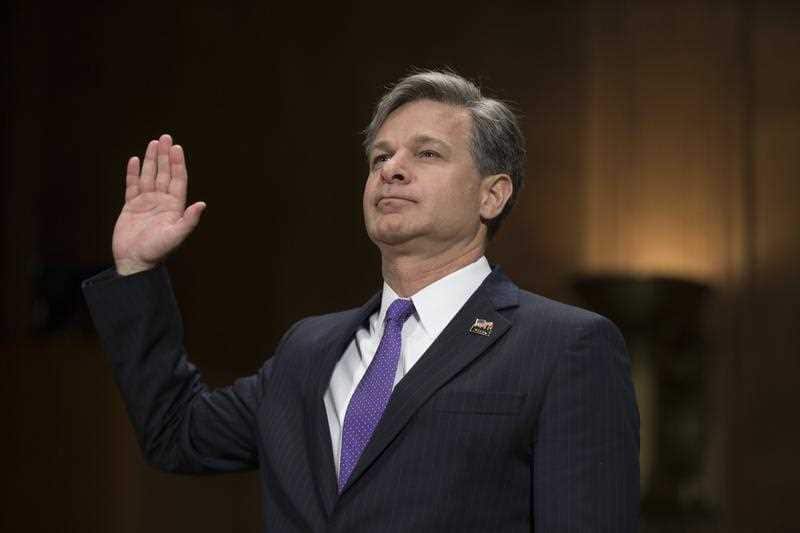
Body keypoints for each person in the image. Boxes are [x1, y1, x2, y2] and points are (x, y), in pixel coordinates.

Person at [83, 70, 640, 531]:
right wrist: (137, 270)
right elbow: (177, 434)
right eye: (380, 157)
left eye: (427, 154)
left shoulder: (565, 346)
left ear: (492, 195)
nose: (391, 169)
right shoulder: (309, 349)